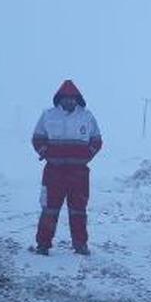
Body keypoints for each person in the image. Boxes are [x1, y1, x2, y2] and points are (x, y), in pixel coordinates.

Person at [31, 80, 103, 255]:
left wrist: (87, 155)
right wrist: (46, 153)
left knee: (78, 210)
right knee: (49, 209)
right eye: (65, 98)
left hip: (79, 173)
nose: (69, 101)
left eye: (72, 98)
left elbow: (96, 140)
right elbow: (37, 138)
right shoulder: (48, 115)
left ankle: (80, 245)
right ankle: (43, 245)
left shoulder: (87, 116)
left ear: (78, 99)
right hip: (53, 172)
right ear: (59, 98)